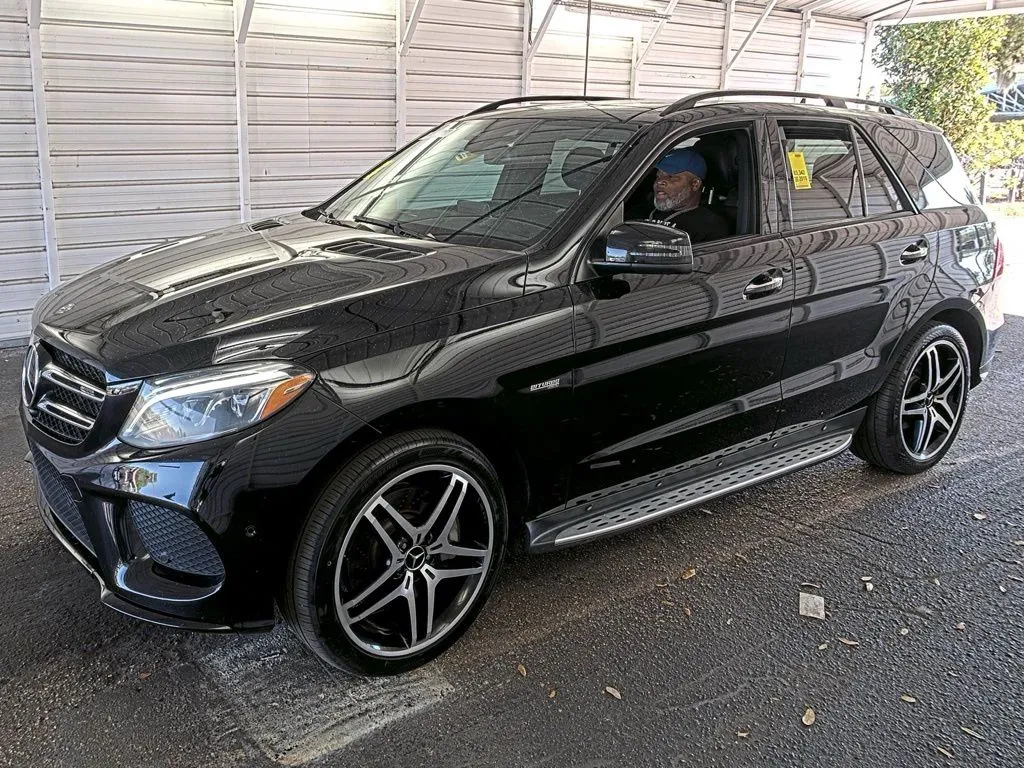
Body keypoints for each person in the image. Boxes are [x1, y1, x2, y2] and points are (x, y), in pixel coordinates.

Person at [647, 148, 730, 244]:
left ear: (695, 184)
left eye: (671, 176)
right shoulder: (640, 208)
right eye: (658, 176)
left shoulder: (710, 226)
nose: (659, 181)